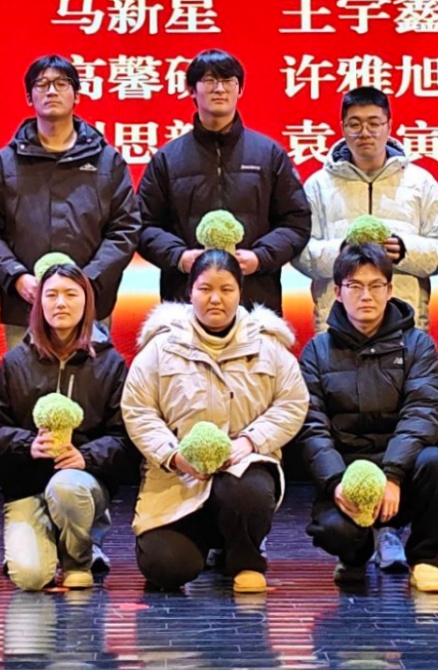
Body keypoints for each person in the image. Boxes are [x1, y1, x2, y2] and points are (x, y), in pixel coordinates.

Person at [121, 251, 307, 592]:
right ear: (190, 291)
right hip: (176, 477)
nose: (216, 299)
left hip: (243, 466)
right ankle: (198, 542)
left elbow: (292, 402)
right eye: (205, 289)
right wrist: (174, 455)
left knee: (247, 491)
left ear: (240, 292)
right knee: (167, 567)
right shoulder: (160, 347)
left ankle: (244, 560)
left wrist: (250, 441)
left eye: (226, 289)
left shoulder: (269, 345)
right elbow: (138, 410)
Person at [295, 242, 438, 593]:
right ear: (337, 292)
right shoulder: (317, 351)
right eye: (355, 286)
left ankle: (426, 560)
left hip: (402, 473)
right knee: (335, 532)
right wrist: (336, 482)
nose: (366, 295)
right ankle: (355, 555)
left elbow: (424, 411)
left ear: (390, 289)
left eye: (375, 285)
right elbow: (311, 427)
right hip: (347, 472)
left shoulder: (418, 345)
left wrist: (393, 473)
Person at [0, 263, 136, 590]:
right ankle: (44, 538)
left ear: (87, 301)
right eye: (51, 295)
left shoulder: (110, 362)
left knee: (66, 487)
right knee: (32, 578)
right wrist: (27, 445)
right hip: (26, 486)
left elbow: (124, 438)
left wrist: (85, 457)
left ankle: (78, 559)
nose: (60, 303)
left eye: (70, 294)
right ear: (39, 303)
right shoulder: (15, 362)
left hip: (81, 481)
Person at [0, 55, 140, 347]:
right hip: (25, 305)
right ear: (29, 97)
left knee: (92, 376)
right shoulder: (4, 163)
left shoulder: (107, 161)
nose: (51, 91)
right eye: (42, 84)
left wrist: (86, 281)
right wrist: (16, 277)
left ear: (76, 95)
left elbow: (125, 228)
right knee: (24, 376)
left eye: (61, 83)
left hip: (91, 304)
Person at [135, 48, 312, 315]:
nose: (219, 89)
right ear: (191, 90)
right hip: (186, 303)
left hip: (256, 301)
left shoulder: (268, 154)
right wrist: (180, 257)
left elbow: (296, 221)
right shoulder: (168, 159)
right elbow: (144, 225)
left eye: (228, 81)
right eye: (209, 80)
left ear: (240, 89)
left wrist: (260, 257)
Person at [294, 86, 438, 331]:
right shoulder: (317, 185)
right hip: (336, 326)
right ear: (343, 127)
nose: (364, 133)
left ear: (389, 126)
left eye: (374, 123)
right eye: (355, 124)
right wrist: (343, 251)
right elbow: (300, 252)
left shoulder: (421, 182)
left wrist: (403, 250)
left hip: (405, 323)